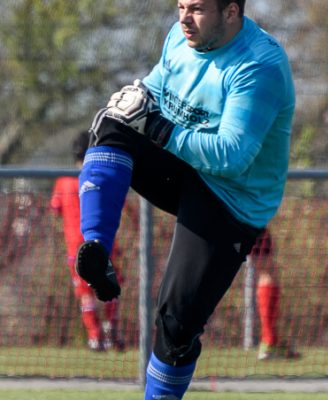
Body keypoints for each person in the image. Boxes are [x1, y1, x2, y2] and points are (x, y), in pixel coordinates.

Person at [76, 0, 295, 398]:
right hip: (186, 166)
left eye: (196, 9)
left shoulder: (258, 66)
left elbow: (232, 156)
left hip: (231, 198)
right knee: (114, 123)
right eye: (180, 6)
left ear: (231, 13)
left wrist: (159, 130)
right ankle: (96, 248)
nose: (182, 18)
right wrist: (137, 97)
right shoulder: (180, 37)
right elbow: (157, 88)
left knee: (177, 318)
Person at [50, 131, 125, 351]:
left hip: (76, 249)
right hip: (104, 245)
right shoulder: (100, 174)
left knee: (86, 296)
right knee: (110, 289)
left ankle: (95, 338)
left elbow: (55, 209)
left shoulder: (63, 182)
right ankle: (111, 332)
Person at [250, 229, 300, 360]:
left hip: (240, 219)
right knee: (268, 272)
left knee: (267, 271)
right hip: (246, 219)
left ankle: (271, 341)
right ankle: (269, 342)